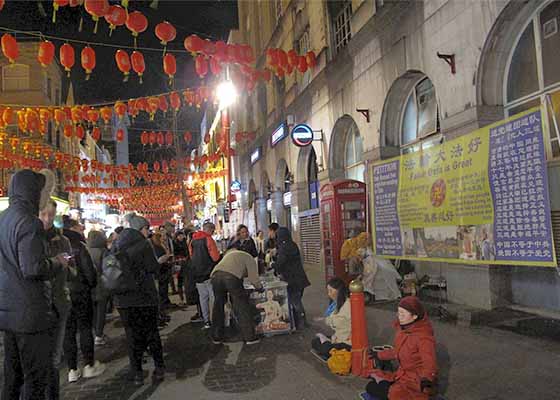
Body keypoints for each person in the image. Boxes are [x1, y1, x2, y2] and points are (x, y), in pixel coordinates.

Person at [0, 169, 66, 400]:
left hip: (8, 313)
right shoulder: (30, 222)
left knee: (12, 377)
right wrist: (57, 262)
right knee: (35, 377)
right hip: (30, 314)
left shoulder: (3, 218)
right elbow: (33, 268)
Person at [114, 213, 165, 386]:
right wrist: (159, 263)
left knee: (132, 336)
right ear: (140, 229)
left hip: (123, 300)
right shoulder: (144, 245)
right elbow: (153, 268)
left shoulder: (116, 244)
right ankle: (159, 368)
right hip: (144, 297)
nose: (148, 232)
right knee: (151, 332)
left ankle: (136, 373)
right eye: (146, 229)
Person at [365, 296, 437, 400]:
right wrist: (379, 354)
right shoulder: (402, 329)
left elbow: (429, 362)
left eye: (403, 314)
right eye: (398, 313)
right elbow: (398, 351)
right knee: (371, 386)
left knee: (390, 394)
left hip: (416, 381)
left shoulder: (424, 338)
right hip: (403, 375)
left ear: (415, 316)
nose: (399, 317)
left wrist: (427, 378)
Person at [40, 198, 75, 400]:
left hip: (59, 301)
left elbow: (72, 270)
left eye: (51, 215)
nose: (47, 219)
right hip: (35, 304)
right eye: (43, 214)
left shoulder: (63, 241)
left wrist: (67, 266)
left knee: (54, 358)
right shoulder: (31, 237)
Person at [63, 218, 105, 383]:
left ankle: (72, 370)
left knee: (68, 333)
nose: (82, 230)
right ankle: (89, 365)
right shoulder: (79, 246)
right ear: (73, 229)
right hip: (80, 293)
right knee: (85, 328)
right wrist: (90, 285)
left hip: (63, 294)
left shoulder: (54, 245)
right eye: (80, 228)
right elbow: (89, 273)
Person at [210, 249, 263, 345]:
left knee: (218, 306)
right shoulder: (250, 258)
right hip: (231, 278)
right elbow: (253, 278)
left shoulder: (231, 254)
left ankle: (217, 336)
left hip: (215, 276)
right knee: (241, 306)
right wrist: (260, 288)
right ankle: (250, 337)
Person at [274, 227, 310, 330]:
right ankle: (299, 321)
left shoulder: (283, 247)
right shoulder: (293, 244)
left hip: (292, 279)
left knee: (295, 301)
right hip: (300, 277)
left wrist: (273, 265)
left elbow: (281, 262)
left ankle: (301, 323)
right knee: (297, 300)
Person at [190, 222, 221, 329]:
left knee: (203, 298)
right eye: (212, 231)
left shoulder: (192, 240)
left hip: (197, 274)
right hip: (209, 273)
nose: (212, 233)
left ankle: (206, 321)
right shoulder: (208, 239)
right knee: (213, 296)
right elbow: (215, 258)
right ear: (210, 230)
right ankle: (215, 319)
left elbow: (191, 256)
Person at [311, 277, 352, 359]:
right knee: (315, 341)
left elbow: (337, 323)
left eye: (331, 291)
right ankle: (327, 344)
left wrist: (325, 320)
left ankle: (328, 346)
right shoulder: (337, 303)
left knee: (326, 349)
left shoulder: (348, 305)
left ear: (339, 291)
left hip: (348, 342)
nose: (329, 294)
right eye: (328, 291)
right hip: (338, 338)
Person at [87, 230, 110, 346]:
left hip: (89, 285)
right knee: (101, 311)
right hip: (101, 285)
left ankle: (95, 332)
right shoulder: (103, 251)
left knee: (94, 311)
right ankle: (99, 335)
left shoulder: (86, 250)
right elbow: (108, 268)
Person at [151, 232, 173, 308]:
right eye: (161, 237)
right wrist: (166, 256)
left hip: (164, 268)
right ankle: (163, 303)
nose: (163, 238)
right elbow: (159, 259)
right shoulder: (157, 247)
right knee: (162, 287)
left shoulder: (160, 245)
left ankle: (165, 301)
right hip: (161, 269)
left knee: (164, 286)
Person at [173, 230, 190, 305]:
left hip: (185, 263)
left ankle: (186, 298)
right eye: (179, 236)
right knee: (180, 281)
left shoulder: (185, 243)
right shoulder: (174, 243)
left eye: (182, 235)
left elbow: (187, 252)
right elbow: (174, 253)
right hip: (179, 263)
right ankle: (181, 299)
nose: (181, 237)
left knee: (185, 281)